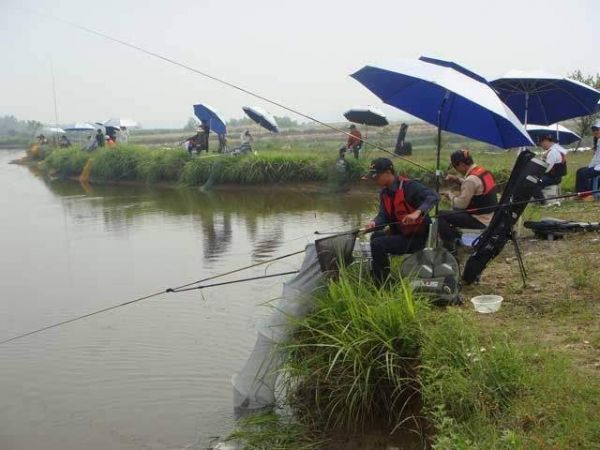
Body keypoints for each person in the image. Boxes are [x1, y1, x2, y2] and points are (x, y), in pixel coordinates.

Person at [365, 157, 439, 285]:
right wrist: (374, 223)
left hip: (416, 239)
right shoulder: (384, 193)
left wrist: (417, 213)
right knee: (375, 236)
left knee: (378, 244)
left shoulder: (410, 187)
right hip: (401, 235)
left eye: (376, 176)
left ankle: (382, 285)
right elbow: (383, 216)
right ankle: (381, 273)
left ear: (388, 172)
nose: (373, 179)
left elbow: (433, 196)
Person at [438, 149, 498, 252]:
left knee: (440, 215)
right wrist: (457, 179)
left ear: (461, 164)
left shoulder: (470, 180)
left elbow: (461, 205)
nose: (457, 171)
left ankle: (452, 244)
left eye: (456, 167)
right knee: (452, 212)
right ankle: (457, 238)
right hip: (491, 215)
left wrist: (450, 196)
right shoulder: (483, 172)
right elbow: (474, 185)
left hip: (480, 220)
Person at [531, 134, 567, 203]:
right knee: (536, 180)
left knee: (533, 181)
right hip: (555, 176)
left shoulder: (553, 152)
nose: (541, 146)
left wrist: (535, 172)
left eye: (541, 144)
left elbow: (547, 169)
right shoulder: (557, 149)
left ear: (545, 141)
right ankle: (540, 198)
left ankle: (542, 202)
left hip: (552, 177)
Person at [575, 121, 600, 201]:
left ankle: (587, 195)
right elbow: (596, 157)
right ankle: (581, 194)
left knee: (583, 173)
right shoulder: (599, 141)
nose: (595, 132)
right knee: (580, 171)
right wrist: (590, 167)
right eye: (593, 130)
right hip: (597, 166)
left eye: (597, 129)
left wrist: (593, 168)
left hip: (599, 167)